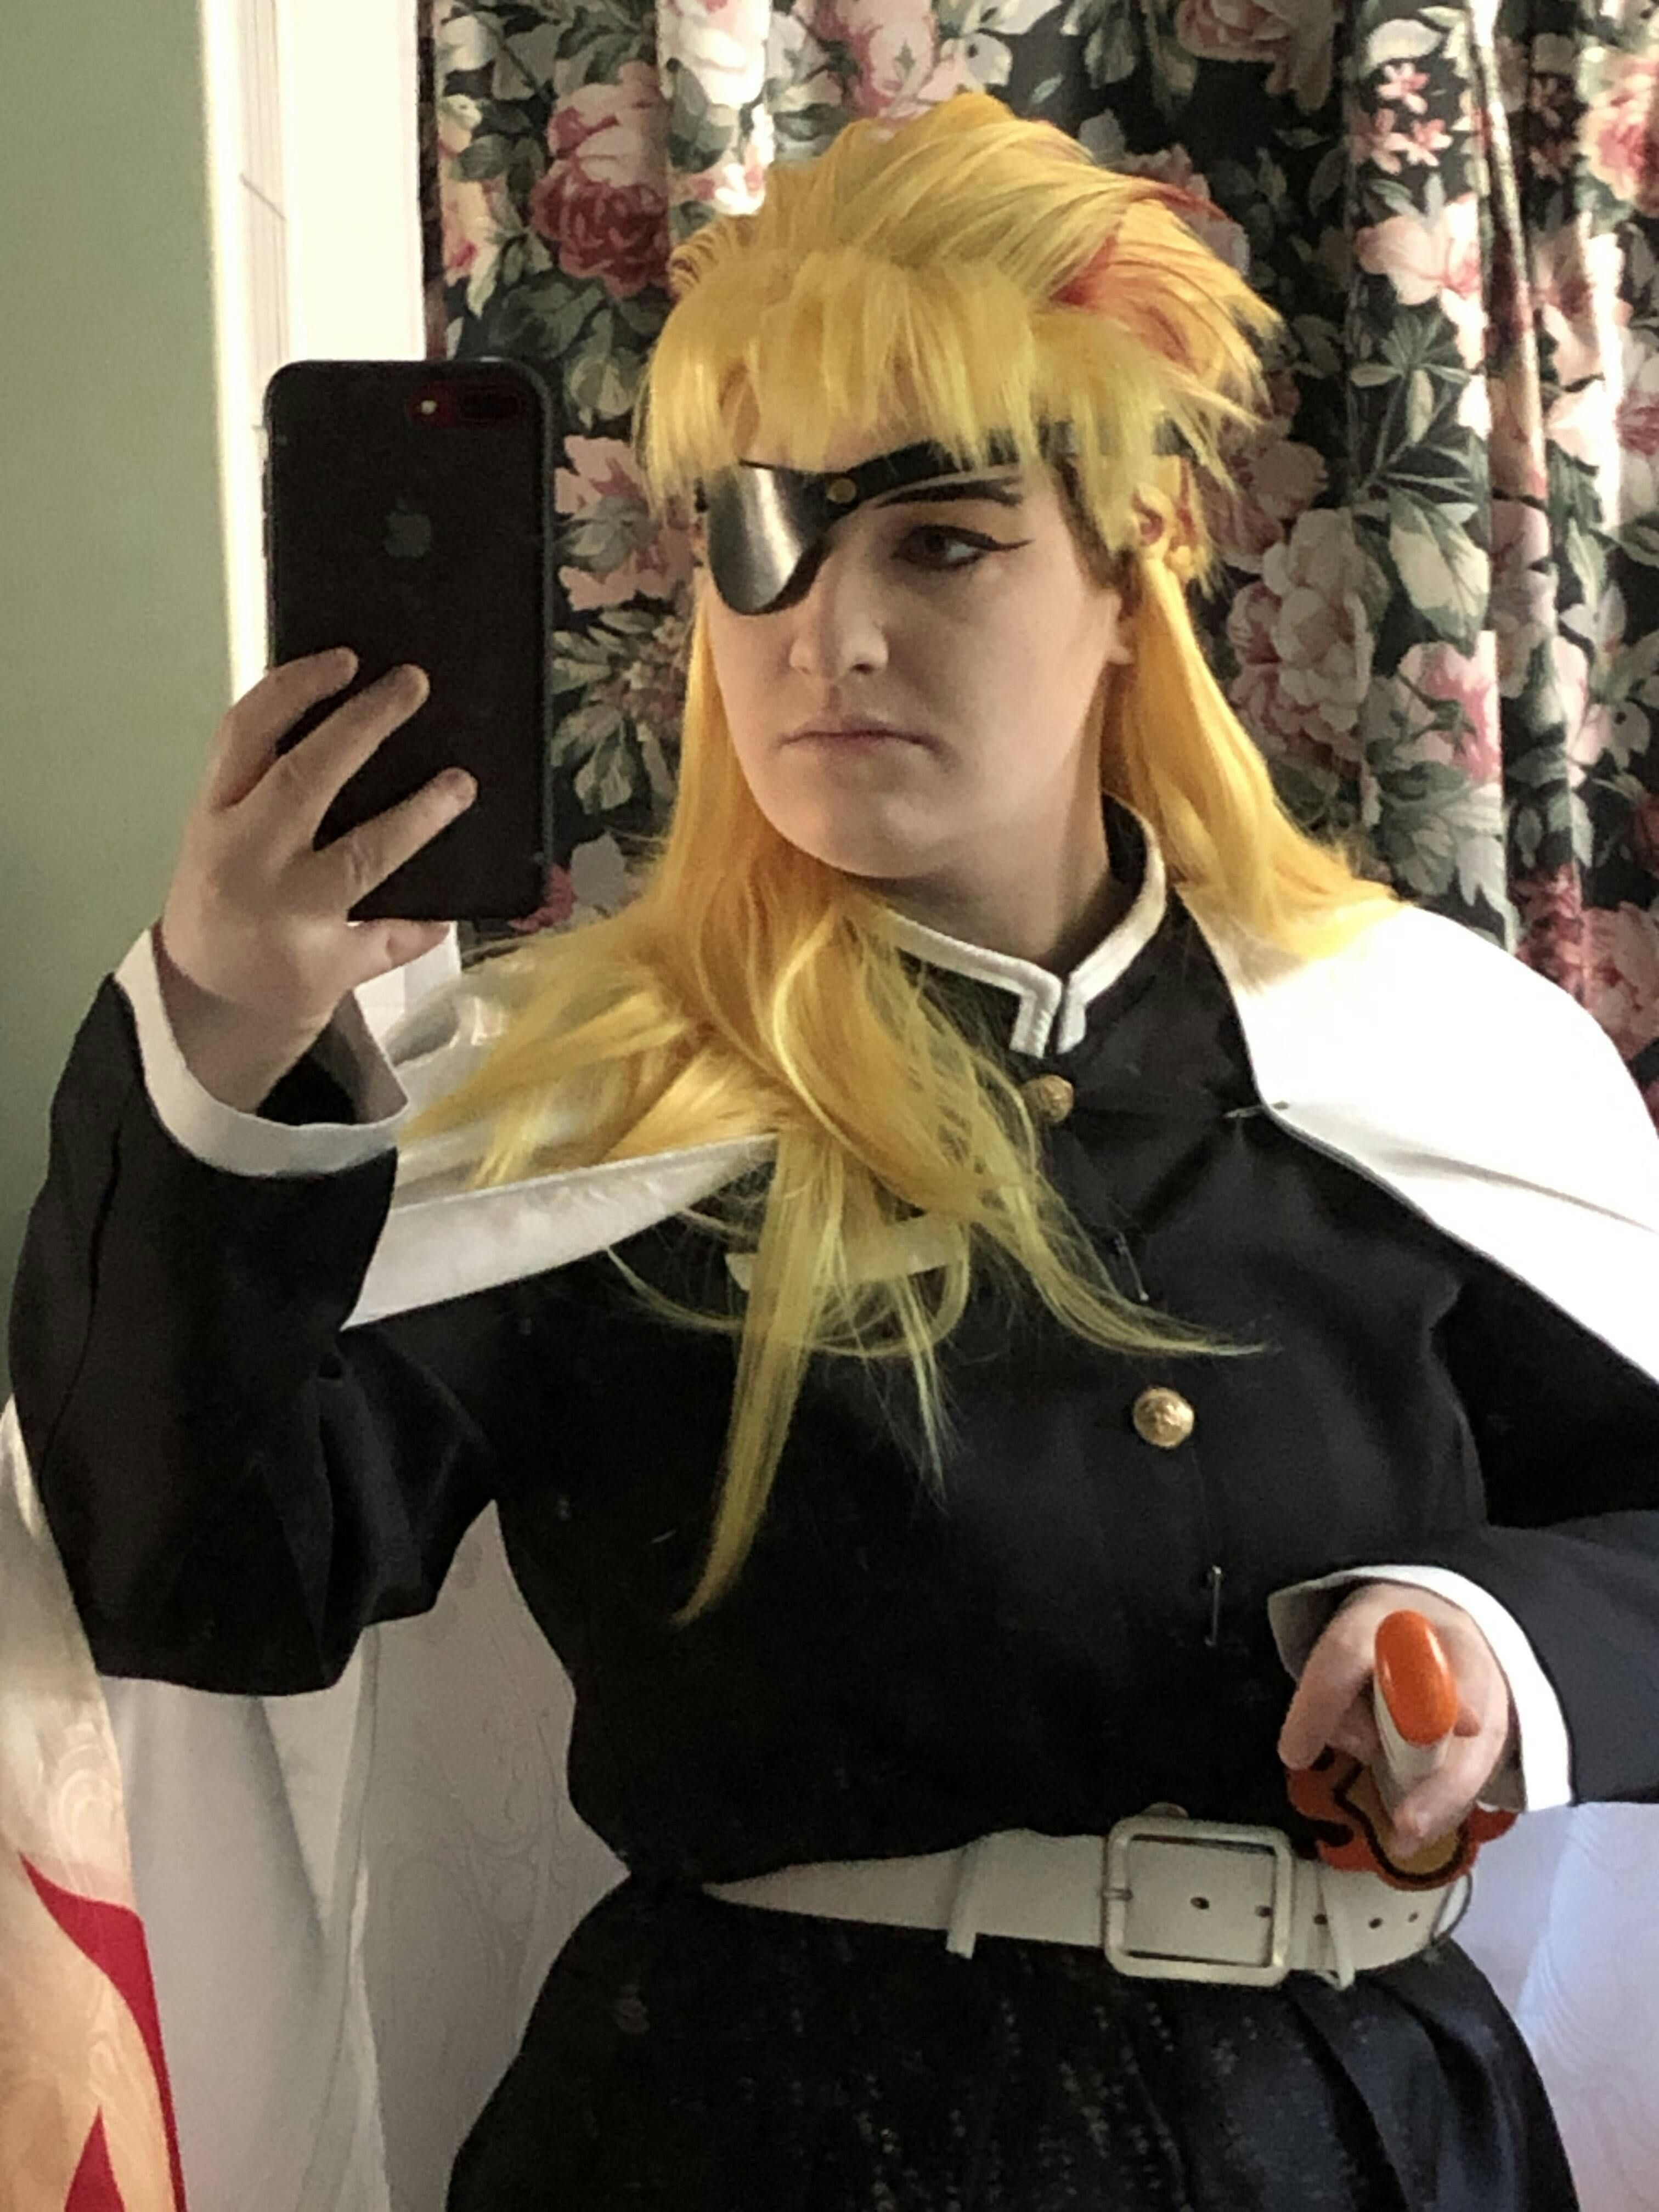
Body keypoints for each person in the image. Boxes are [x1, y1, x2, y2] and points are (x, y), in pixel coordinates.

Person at [12, 87, 1659, 2209]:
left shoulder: (1434, 1066)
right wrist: (229, 1030)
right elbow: (194, 1587)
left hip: (1367, 2145)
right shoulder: (573, 1113)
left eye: (943, 539)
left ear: (1135, 571)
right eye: (761, 539)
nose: (829, 635)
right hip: (757, 2139)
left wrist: (1501, 1650)